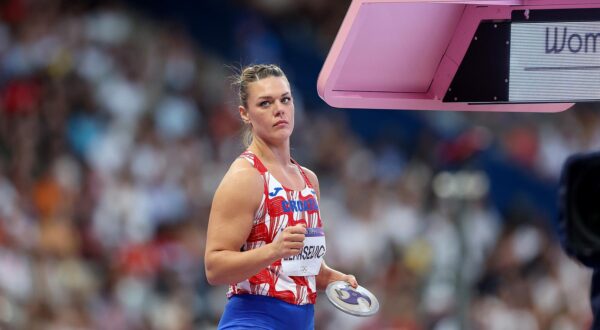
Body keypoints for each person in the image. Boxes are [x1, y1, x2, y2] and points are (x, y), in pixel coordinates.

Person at [204, 64, 358, 330]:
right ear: (245, 114)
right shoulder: (246, 177)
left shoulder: (308, 180)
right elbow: (214, 267)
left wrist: (331, 277)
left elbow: (298, 267)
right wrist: (273, 249)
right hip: (253, 320)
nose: (279, 109)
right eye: (265, 103)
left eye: (285, 99)